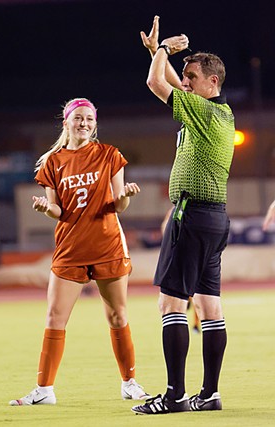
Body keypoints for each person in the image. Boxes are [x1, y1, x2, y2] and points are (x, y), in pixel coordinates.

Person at [9, 97, 149, 406]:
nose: (84, 123)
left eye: (89, 119)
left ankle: (130, 383)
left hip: (107, 244)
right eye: (78, 118)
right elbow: (58, 210)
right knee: (55, 317)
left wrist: (125, 196)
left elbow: (118, 204)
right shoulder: (53, 162)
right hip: (70, 248)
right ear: (66, 122)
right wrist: (47, 208)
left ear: (95, 124)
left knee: (117, 315)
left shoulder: (109, 155)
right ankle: (44, 390)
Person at [132, 16, 235, 415]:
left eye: (193, 77)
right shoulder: (218, 113)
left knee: (171, 305)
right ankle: (209, 393)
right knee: (209, 307)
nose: (186, 82)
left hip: (191, 218)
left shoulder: (205, 113)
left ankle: (174, 396)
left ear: (212, 82)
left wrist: (162, 52)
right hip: (215, 218)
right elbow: (173, 85)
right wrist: (158, 55)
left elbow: (156, 84)